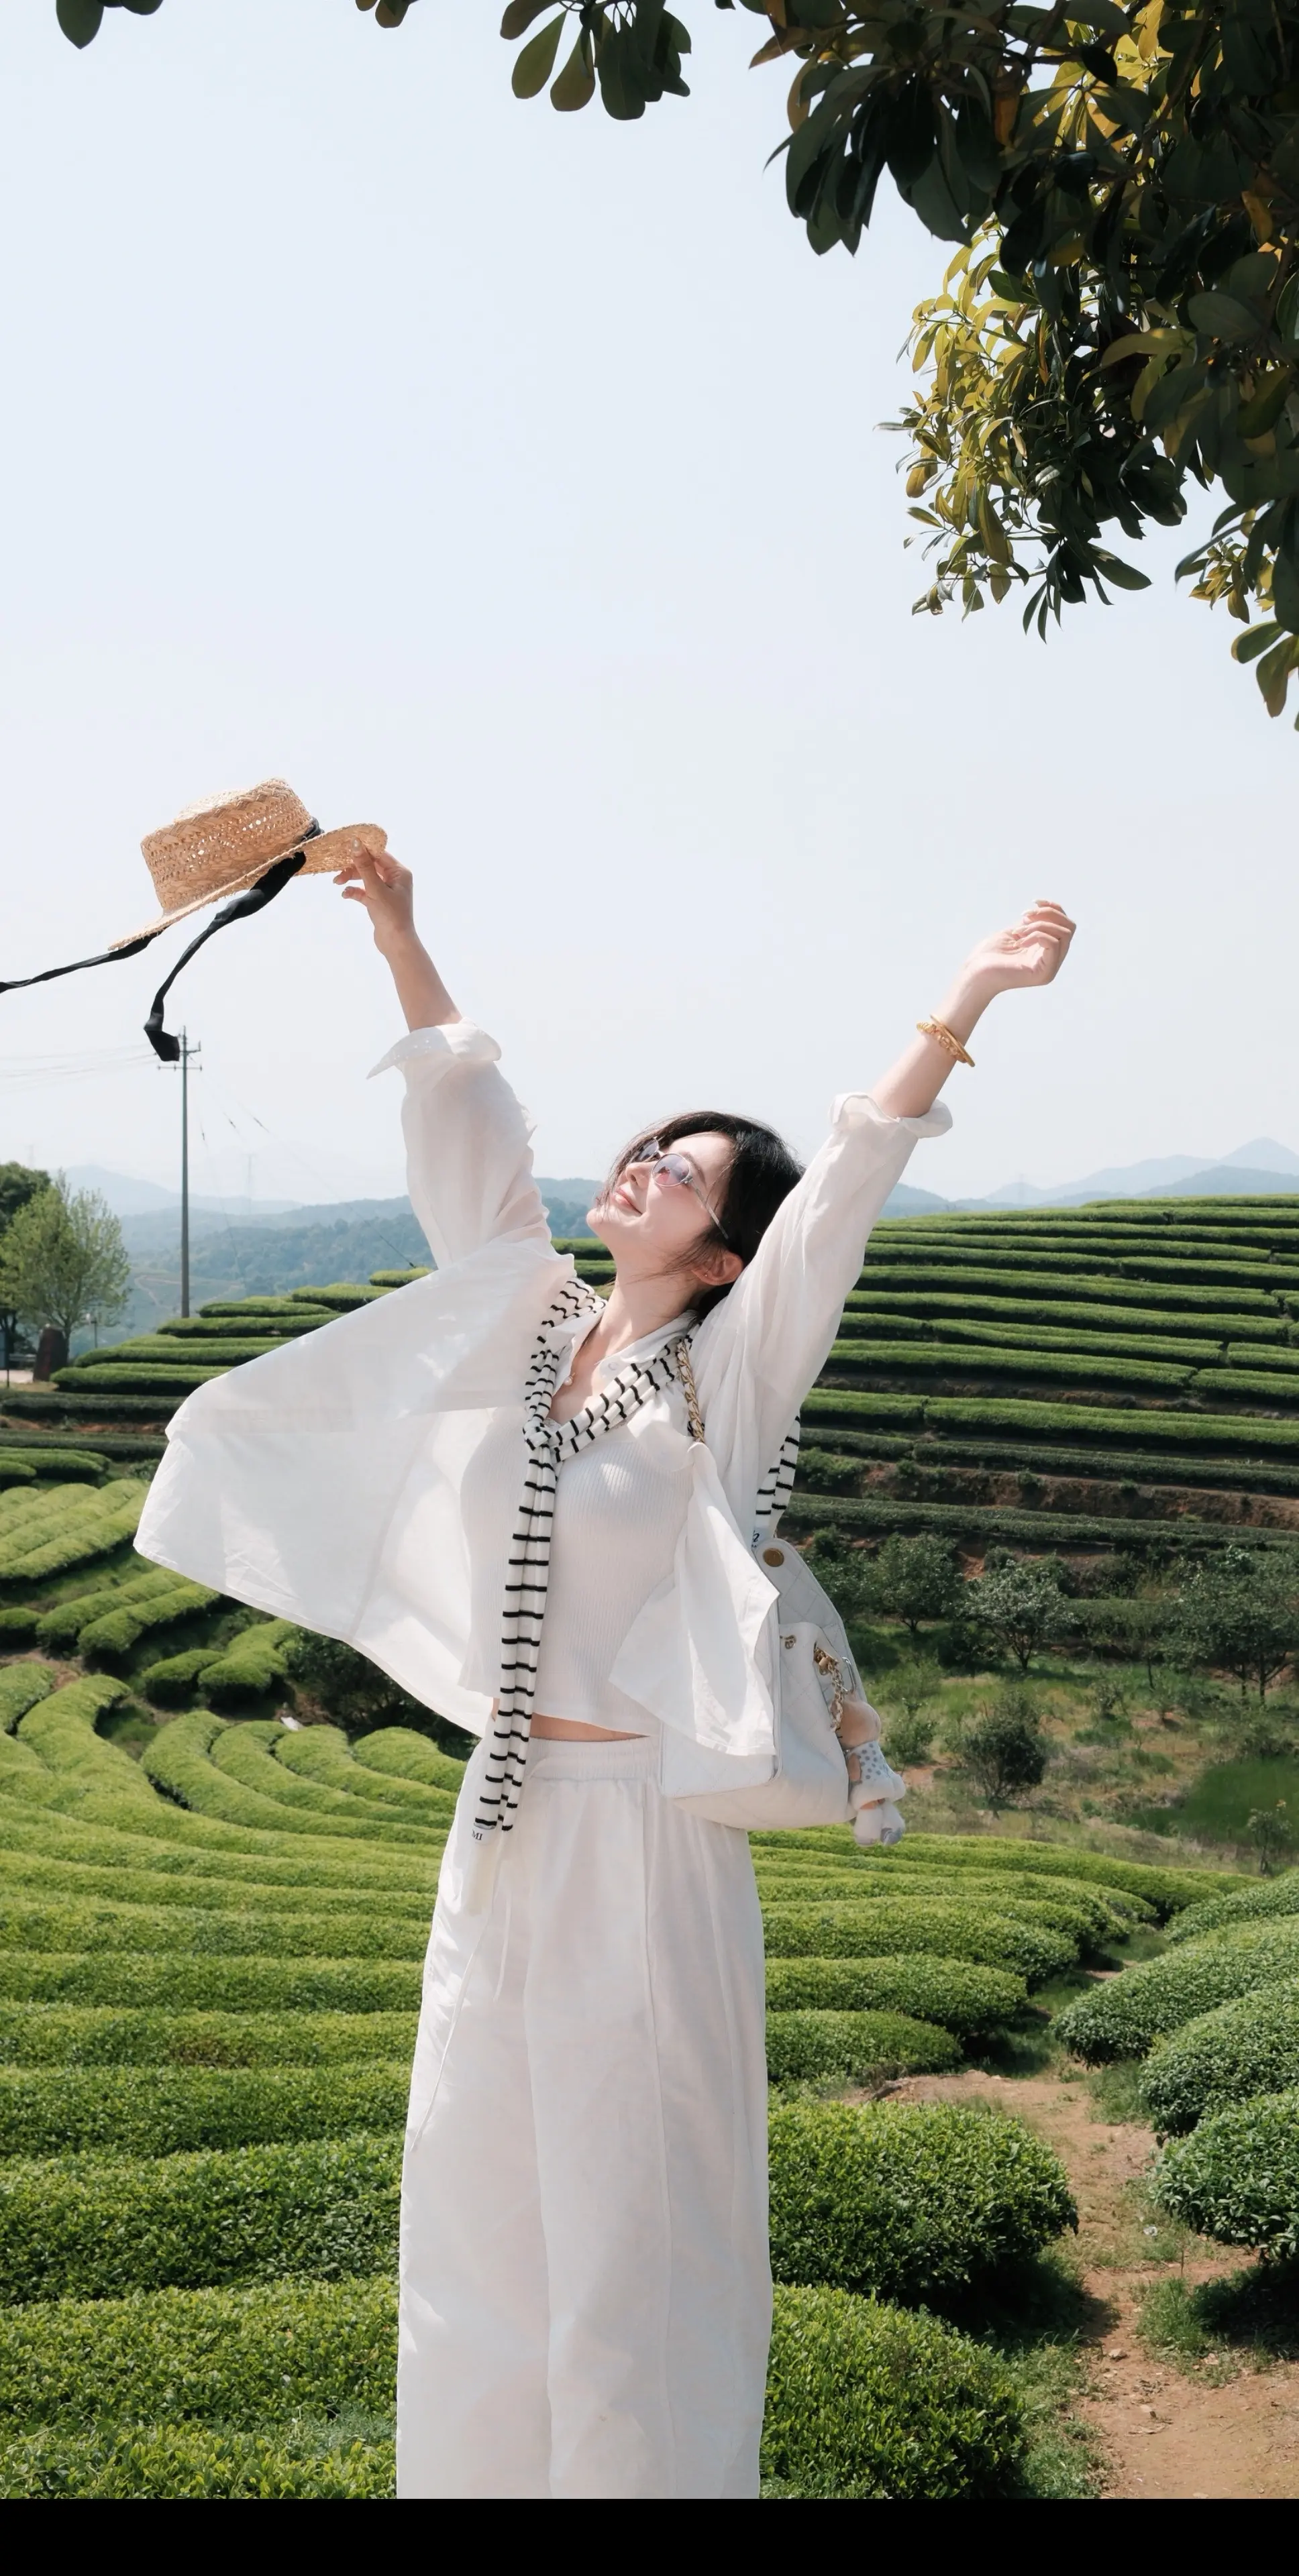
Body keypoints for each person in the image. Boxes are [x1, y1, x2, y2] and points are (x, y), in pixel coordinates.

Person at [137, 857, 1074, 2501]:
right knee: (477, 2225)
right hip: (501, 1828)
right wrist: (399, 933)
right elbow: (468, 1133)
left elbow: (843, 1190)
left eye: (681, 1172)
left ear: (721, 1254)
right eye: (645, 1146)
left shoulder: (731, 1374)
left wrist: (963, 1000)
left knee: (637, 2244)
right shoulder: (529, 1316)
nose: (640, 1167)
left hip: (646, 1844)